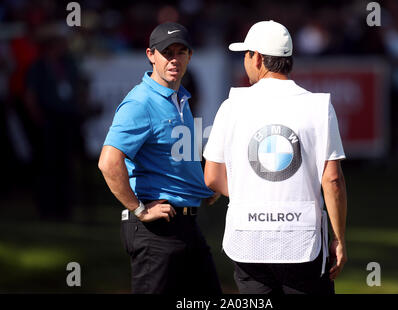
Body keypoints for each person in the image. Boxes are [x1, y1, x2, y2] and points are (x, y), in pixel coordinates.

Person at [203, 20, 347, 294]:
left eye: (246, 55)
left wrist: (255, 193)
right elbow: (333, 180)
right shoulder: (318, 107)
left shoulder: (232, 106)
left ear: (256, 58)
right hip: (303, 241)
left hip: (247, 239)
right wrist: (338, 239)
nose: (245, 62)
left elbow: (212, 177)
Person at [98, 22, 222, 294]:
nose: (174, 59)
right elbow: (108, 162)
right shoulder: (140, 102)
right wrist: (140, 209)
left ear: (190, 55)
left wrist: (203, 186)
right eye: (167, 52)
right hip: (156, 229)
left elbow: (180, 157)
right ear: (151, 55)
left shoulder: (180, 99)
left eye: (181, 51)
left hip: (186, 225)